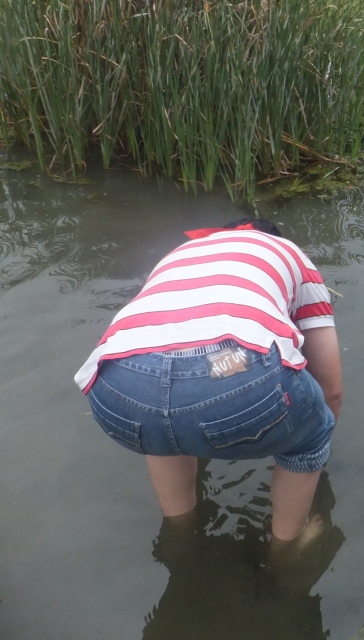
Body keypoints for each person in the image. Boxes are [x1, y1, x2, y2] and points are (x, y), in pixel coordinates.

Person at [75, 218, 343, 546]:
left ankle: (180, 536)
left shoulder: (180, 253)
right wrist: (311, 445)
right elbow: (332, 388)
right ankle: (287, 549)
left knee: (164, 423)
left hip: (116, 381)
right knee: (313, 431)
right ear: (270, 236)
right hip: (231, 366)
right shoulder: (291, 253)